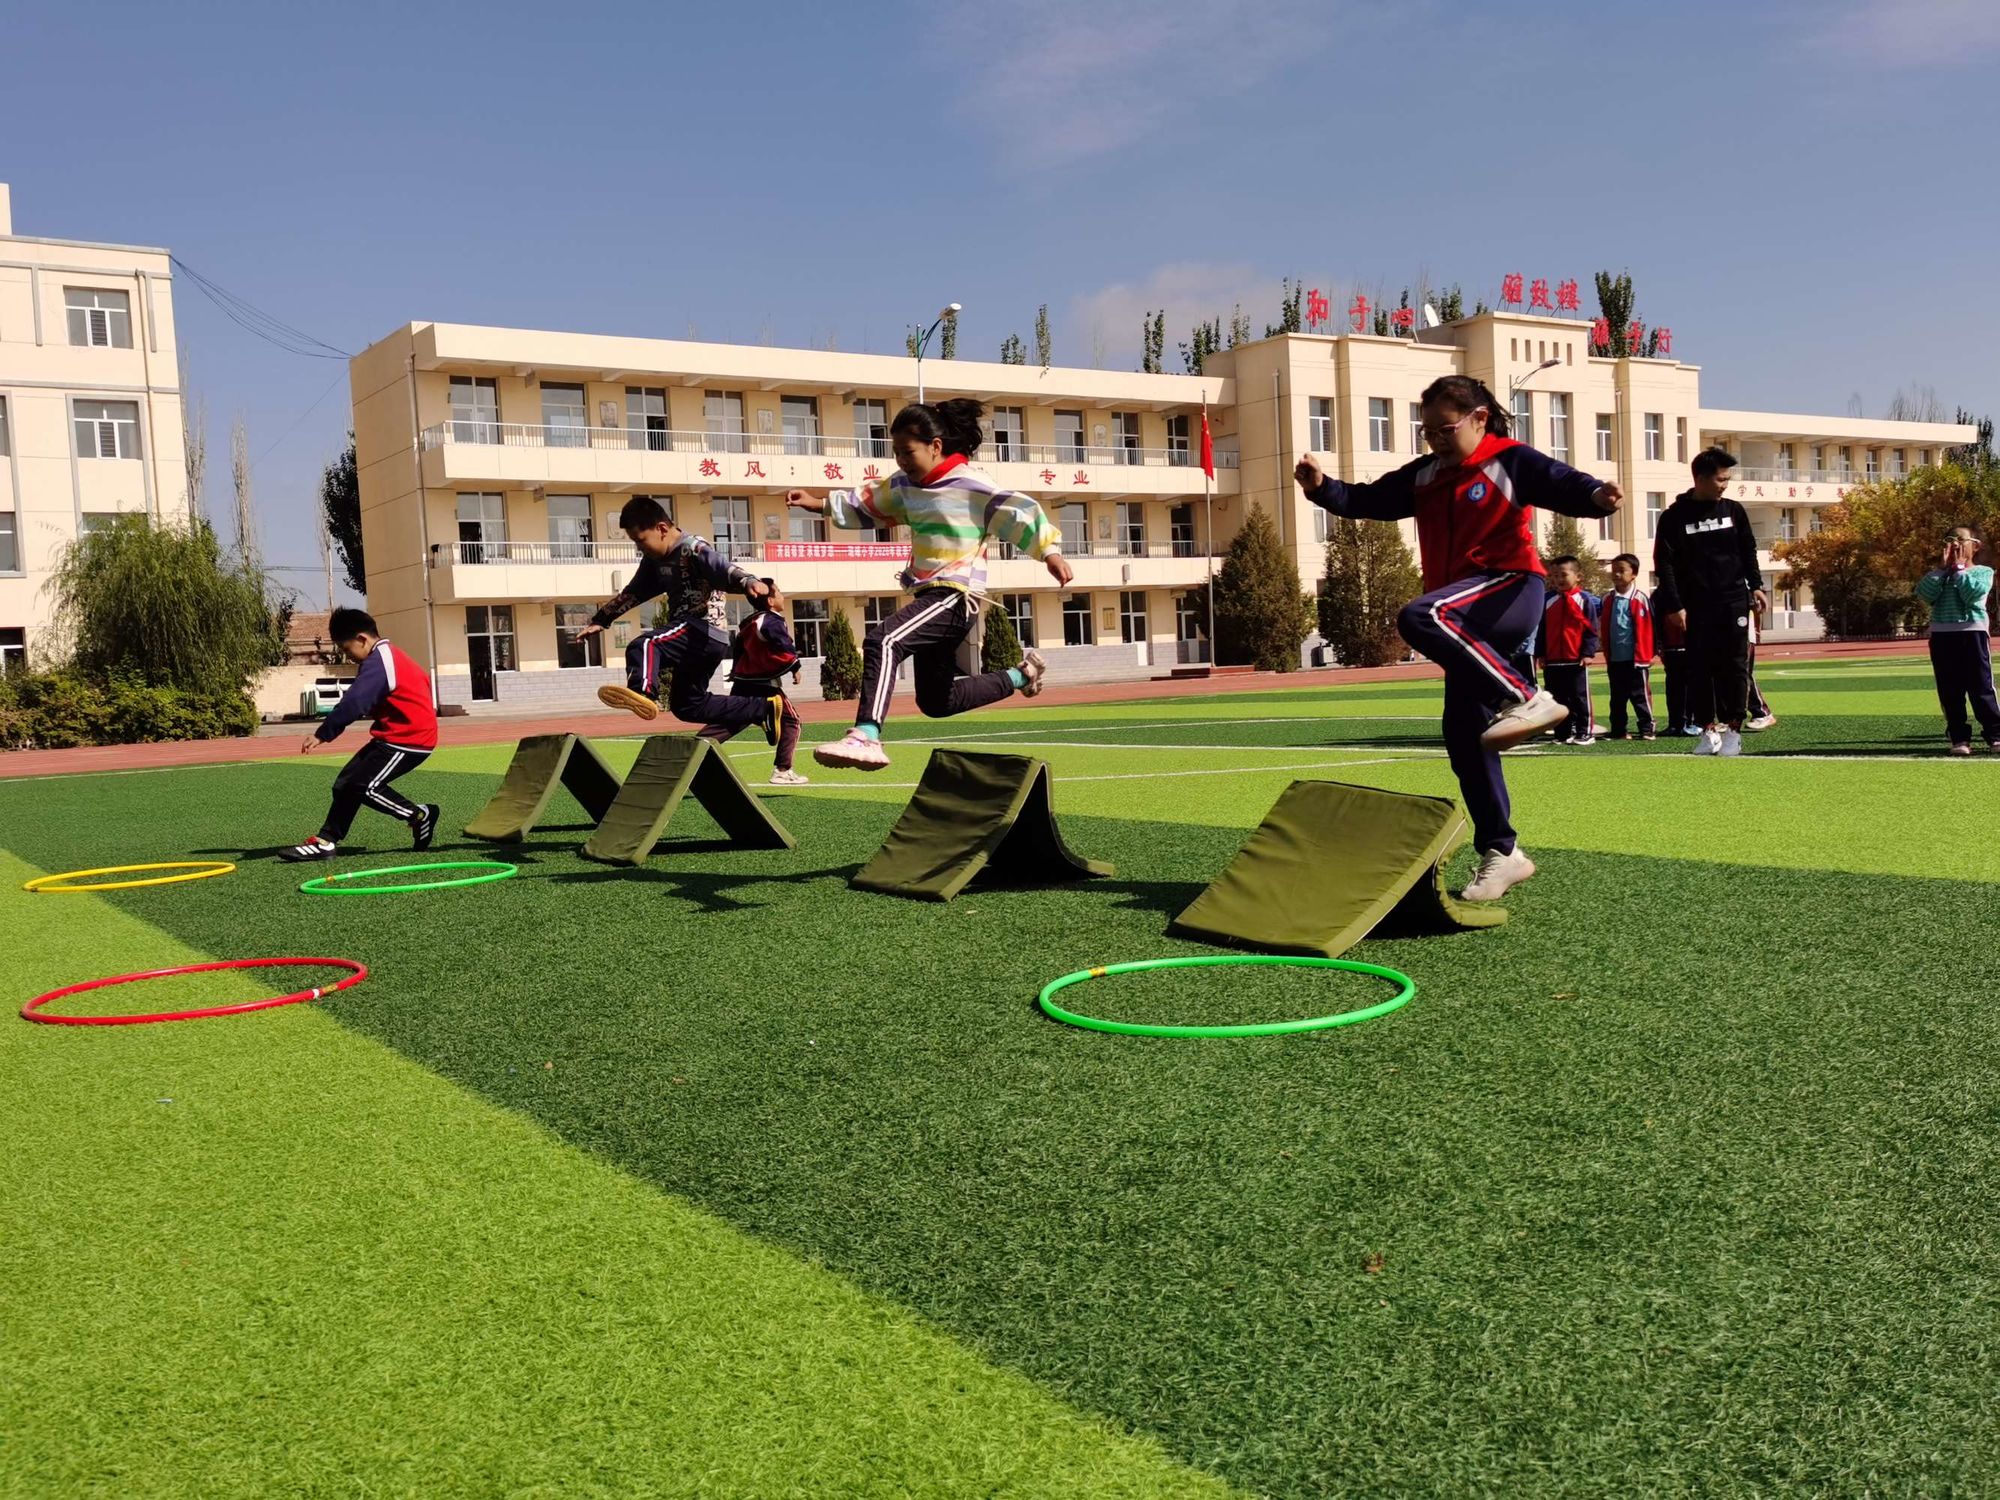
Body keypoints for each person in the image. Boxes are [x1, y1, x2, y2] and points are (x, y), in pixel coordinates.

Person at [1295, 374, 1622, 901]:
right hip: (1463, 618)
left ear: (1479, 419)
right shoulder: (1426, 475)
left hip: (1508, 587)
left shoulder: (1508, 460)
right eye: (1427, 432)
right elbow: (1369, 499)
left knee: (1419, 616)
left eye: (1445, 430)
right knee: (1465, 737)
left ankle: (1526, 697)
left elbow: (1561, 481)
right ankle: (1502, 852)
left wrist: (1597, 496)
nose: (1436, 441)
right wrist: (1320, 487)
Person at [784, 398, 1066, 770]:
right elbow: (869, 502)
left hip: (956, 595)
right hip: (928, 596)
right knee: (936, 701)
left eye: (908, 451)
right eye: (896, 452)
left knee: (884, 640)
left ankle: (866, 735)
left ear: (935, 446)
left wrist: (1049, 552)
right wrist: (819, 504)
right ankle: (1022, 674)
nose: (901, 460)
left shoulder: (972, 485)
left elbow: (1018, 513)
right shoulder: (904, 486)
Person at [577, 496, 779, 744]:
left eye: (641, 540)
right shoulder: (653, 561)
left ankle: (643, 692)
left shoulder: (693, 548)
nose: (640, 548)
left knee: (645, 645)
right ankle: (763, 709)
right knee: (687, 705)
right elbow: (634, 592)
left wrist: (748, 580)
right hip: (701, 643)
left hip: (702, 629)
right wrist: (602, 619)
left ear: (662, 528)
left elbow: (721, 566)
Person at [281, 607, 439, 863]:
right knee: (345, 785)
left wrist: (323, 734)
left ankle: (419, 815)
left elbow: (355, 702)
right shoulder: (385, 657)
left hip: (410, 739)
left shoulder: (381, 661)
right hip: (392, 736)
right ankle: (326, 841)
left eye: (347, 650)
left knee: (364, 787)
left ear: (362, 639)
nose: (348, 656)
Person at [1653, 447, 1765, 758]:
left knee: (1735, 666)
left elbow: (1748, 550)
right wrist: (1675, 605)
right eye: (1720, 479)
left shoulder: (1733, 511)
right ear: (1700, 479)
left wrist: (1756, 586)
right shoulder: (1674, 517)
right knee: (1699, 669)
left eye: (1727, 479)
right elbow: (1665, 564)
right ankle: (1707, 731)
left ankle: (1734, 731)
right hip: (1695, 605)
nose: (1725, 485)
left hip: (1733, 600)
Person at [697, 578, 809, 784]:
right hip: (764, 684)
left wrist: (735, 671)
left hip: (744, 681)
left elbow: (739, 649)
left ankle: (694, 748)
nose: (782, 596)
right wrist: (795, 666)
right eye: (779, 592)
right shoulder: (772, 620)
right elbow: (782, 643)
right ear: (771, 602)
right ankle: (783, 770)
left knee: (733, 720)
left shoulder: (748, 622)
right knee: (792, 721)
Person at [1916, 525, 2000, 755]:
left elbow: (1973, 595)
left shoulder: (1982, 572)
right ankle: (1959, 738)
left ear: (1976, 546)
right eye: (1949, 540)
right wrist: (1942, 570)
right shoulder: (1939, 575)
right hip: (1942, 636)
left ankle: (1995, 735)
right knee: (1949, 690)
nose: (1954, 545)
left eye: (1960, 540)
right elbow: (1925, 594)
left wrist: (1960, 570)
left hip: (1972, 633)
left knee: (1981, 686)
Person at [1536, 556, 1599, 745]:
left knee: (1579, 697)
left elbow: (1591, 630)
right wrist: (1541, 653)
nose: (1559, 579)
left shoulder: (1584, 600)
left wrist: (1588, 653)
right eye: (1555, 575)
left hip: (1575, 659)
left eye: (1563, 575)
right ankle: (1562, 733)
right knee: (1557, 699)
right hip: (1553, 660)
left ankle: (1584, 732)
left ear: (1578, 576)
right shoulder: (1547, 600)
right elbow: (1541, 629)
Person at [1600, 553, 1657, 740]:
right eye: (1614, 570)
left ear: (1634, 574)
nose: (1616, 574)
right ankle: (1619, 729)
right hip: (1615, 658)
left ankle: (1647, 728)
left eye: (1621, 570)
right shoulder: (1607, 599)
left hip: (1636, 659)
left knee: (1640, 695)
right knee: (1617, 697)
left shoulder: (1640, 598)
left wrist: (1649, 653)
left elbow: (1649, 627)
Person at [1743, 608, 1777, 731]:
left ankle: (1762, 713)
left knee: (1743, 673)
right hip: (1724, 634)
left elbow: (1757, 606)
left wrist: (1756, 628)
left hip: (1742, 634)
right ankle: (1725, 718)